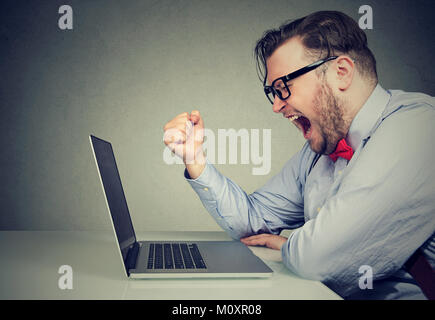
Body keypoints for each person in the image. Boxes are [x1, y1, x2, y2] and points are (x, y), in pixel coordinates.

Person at [163, 11, 435, 299]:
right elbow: (254, 220)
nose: (276, 107)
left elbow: (318, 257)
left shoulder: (418, 128)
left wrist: (288, 247)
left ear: (341, 73)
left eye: (283, 88)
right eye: (273, 92)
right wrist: (196, 161)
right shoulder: (318, 152)